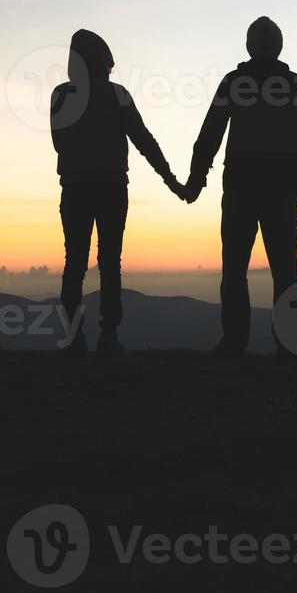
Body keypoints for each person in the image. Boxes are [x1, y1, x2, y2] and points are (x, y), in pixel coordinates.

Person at [182, 17, 297, 358]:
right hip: (283, 189)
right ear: (279, 46)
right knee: (285, 270)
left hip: (241, 186)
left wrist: (196, 179)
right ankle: (289, 346)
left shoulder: (235, 82)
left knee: (234, 268)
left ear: (249, 46)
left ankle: (234, 342)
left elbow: (211, 133)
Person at [51, 29, 183, 355]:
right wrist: (171, 180)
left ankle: (74, 337)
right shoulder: (118, 95)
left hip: (75, 189)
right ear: (104, 62)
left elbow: (59, 143)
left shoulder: (61, 96)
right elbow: (143, 140)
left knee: (75, 264)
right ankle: (109, 335)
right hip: (111, 188)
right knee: (110, 263)